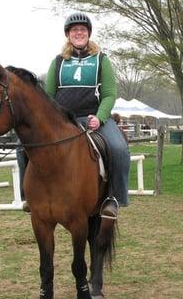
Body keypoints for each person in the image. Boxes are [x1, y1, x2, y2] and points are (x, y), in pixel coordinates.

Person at [44, 12, 130, 219]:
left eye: (82, 29)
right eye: (74, 30)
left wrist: (100, 117)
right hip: (64, 121)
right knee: (26, 147)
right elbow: (48, 96)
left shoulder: (101, 60)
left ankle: (115, 198)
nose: (79, 32)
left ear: (88, 33)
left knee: (119, 149)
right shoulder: (57, 62)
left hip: (94, 119)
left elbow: (109, 94)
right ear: (68, 35)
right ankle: (29, 195)